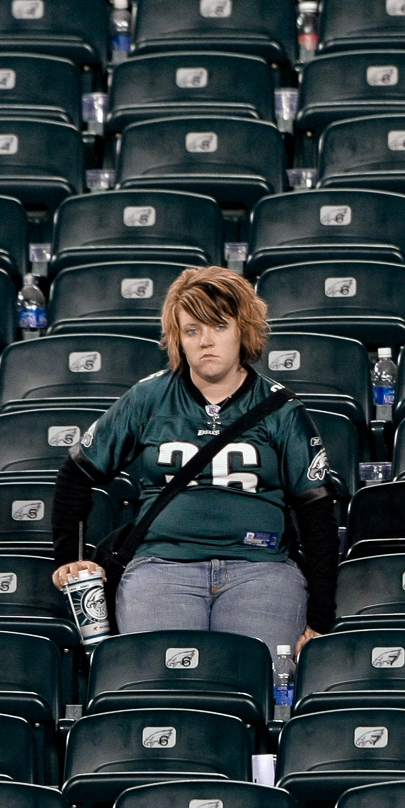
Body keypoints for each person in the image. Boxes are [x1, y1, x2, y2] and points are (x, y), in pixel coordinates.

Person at [51, 266, 340, 657]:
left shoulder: (281, 408)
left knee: (252, 684)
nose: (206, 341)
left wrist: (320, 619)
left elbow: (317, 514)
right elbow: (76, 474)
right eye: (192, 330)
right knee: (165, 685)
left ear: (243, 330)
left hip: (262, 570)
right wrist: (70, 558)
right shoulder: (148, 398)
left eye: (219, 326)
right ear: (178, 339)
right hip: (160, 567)